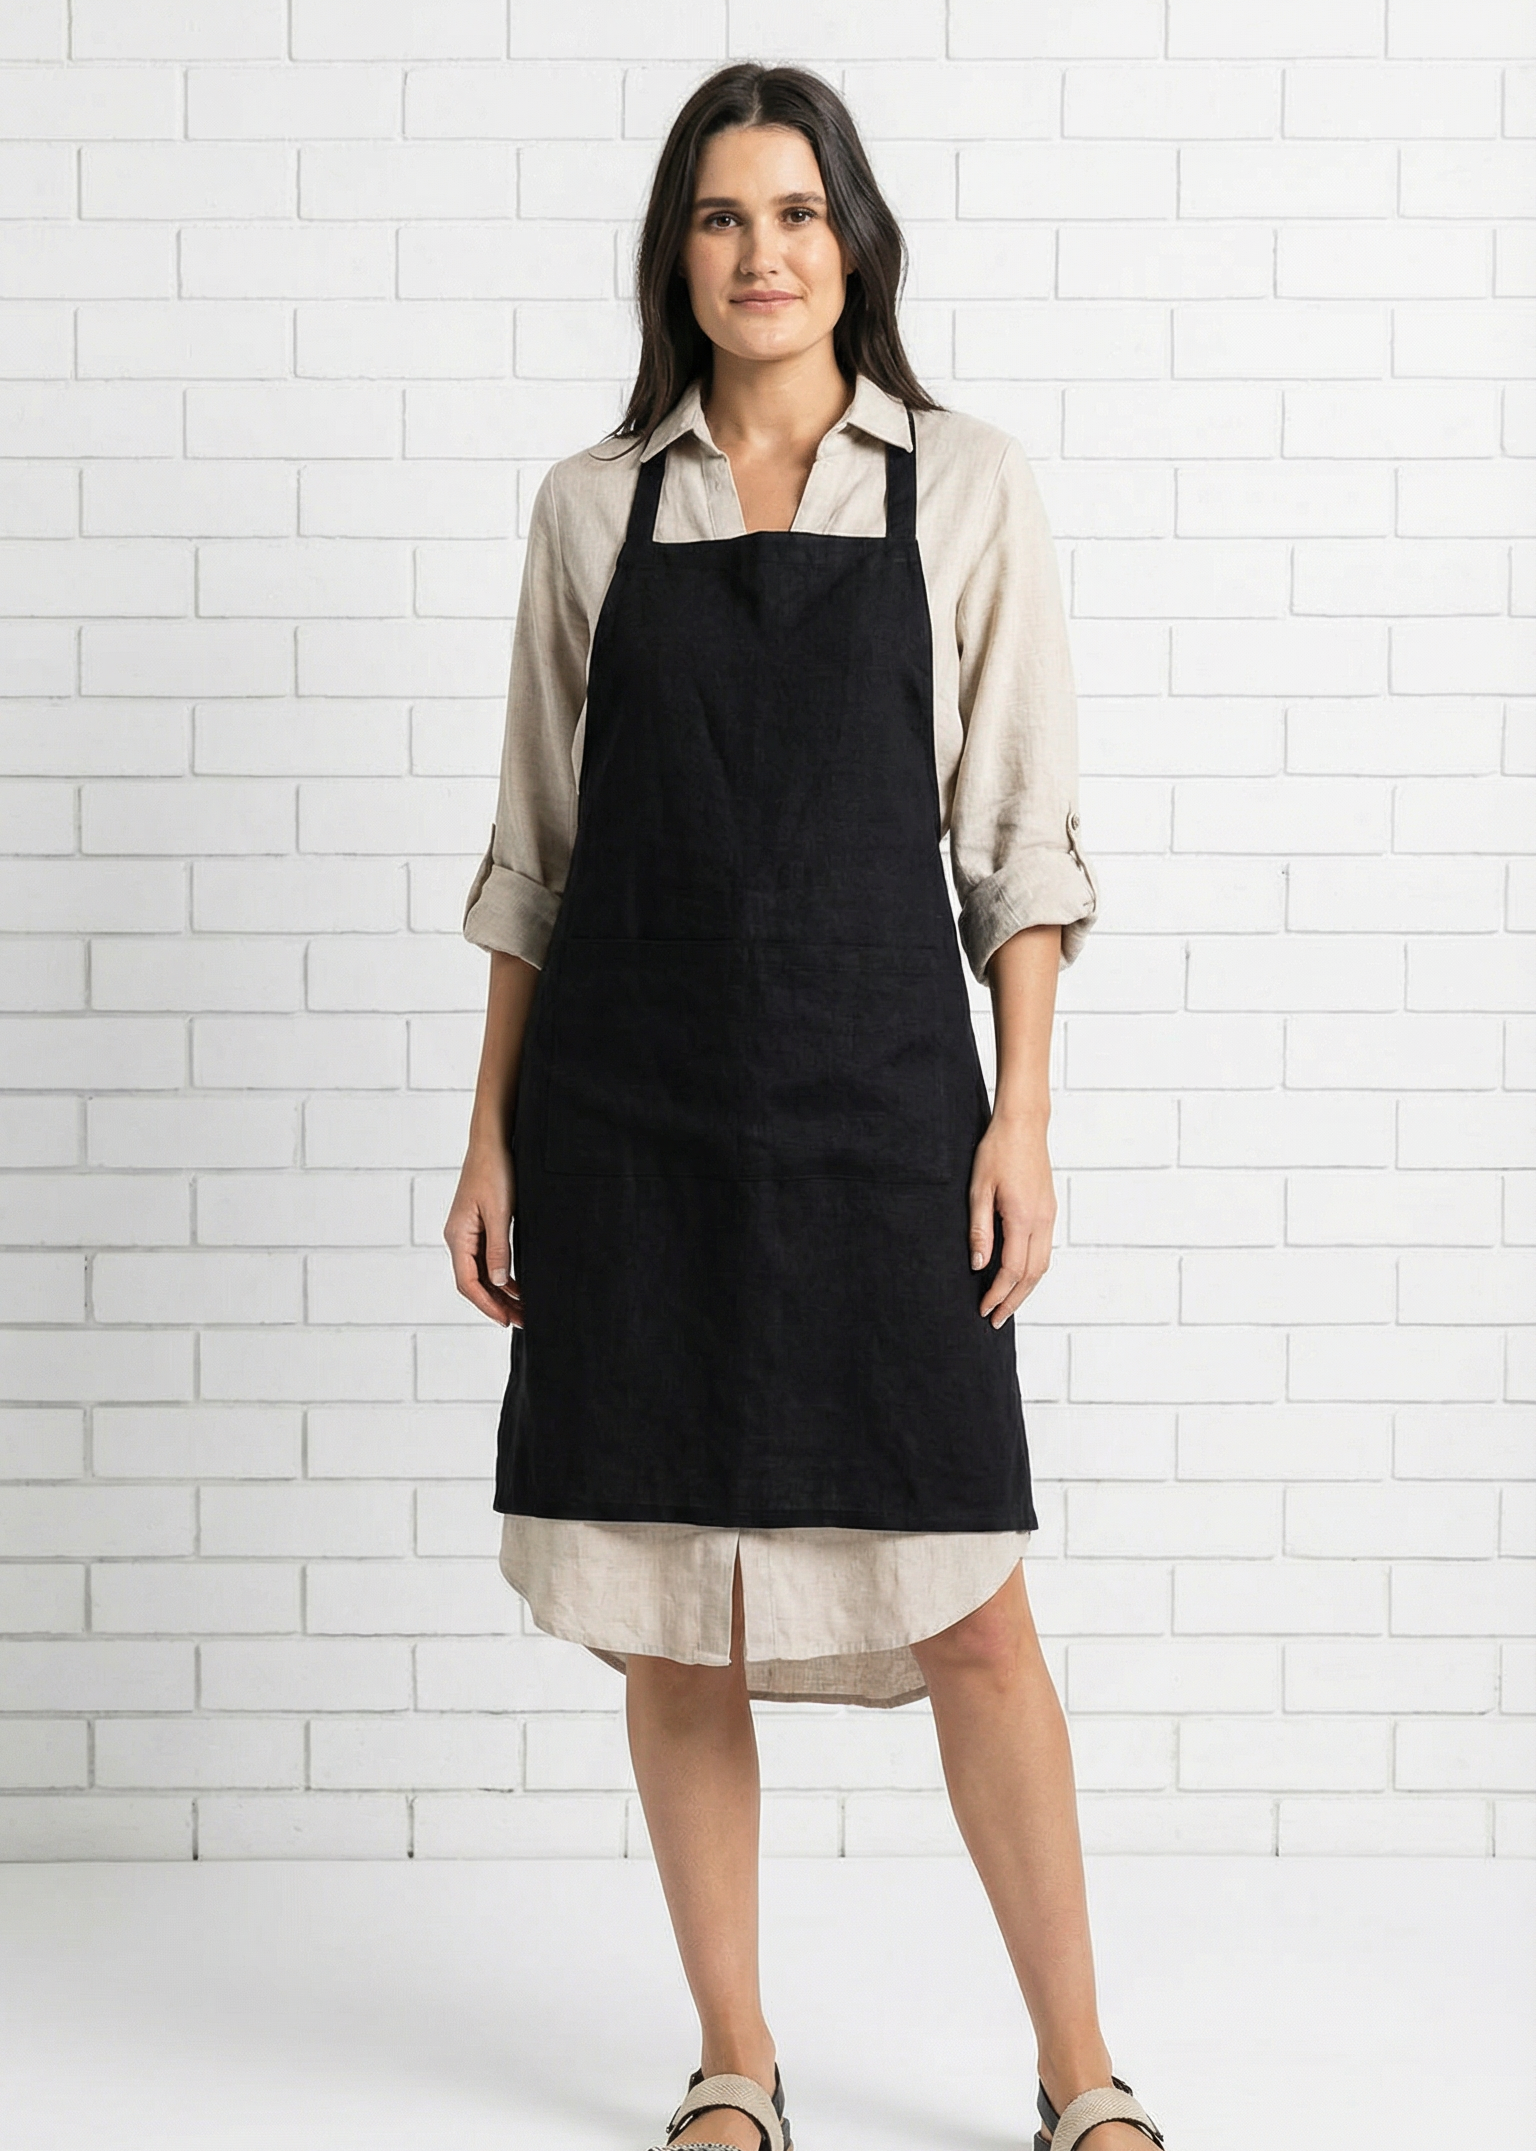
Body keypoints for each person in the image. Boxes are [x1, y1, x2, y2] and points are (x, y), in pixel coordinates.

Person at [444, 60, 1166, 2151]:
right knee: (678, 1624)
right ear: (675, 256)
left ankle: (1081, 2073)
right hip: (631, 1119)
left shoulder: (965, 484)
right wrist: (490, 1135)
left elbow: (1018, 846)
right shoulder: (596, 505)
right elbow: (537, 855)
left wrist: (1022, 1117)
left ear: (853, 243)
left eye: (794, 211)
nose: (760, 252)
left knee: (978, 1613)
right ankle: (735, 2061)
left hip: (878, 1109)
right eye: (719, 215)